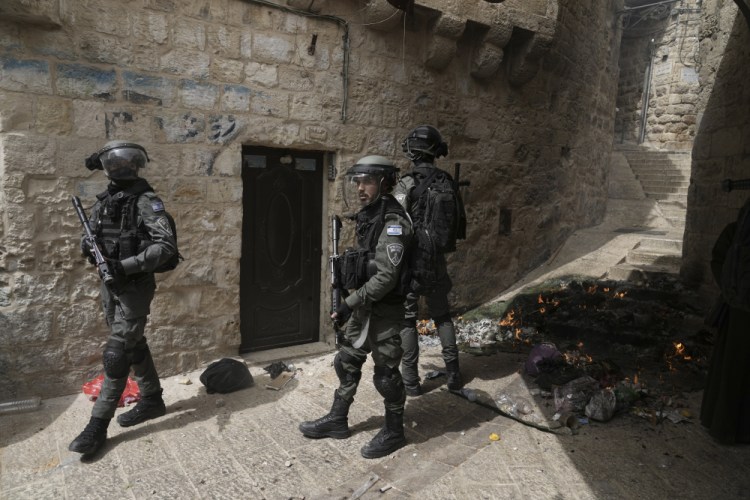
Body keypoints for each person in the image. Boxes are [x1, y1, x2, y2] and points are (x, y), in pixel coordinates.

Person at [298, 155, 413, 459]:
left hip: (386, 309)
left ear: (385, 184)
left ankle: (394, 431)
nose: (361, 188)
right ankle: (338, 420)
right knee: (346, 361)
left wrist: (349, 302)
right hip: (364, 304)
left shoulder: (394, 223)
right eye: (358, 182)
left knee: (386, 374)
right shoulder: (370, 215)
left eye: (368, 182)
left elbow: (387, 277)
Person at [69, 140, 177, 456]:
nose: (119, 168)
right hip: (109, 283)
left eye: (125, 162)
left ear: (136, 165)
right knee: (133, 343)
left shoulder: (146, 201)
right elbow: (92, 235)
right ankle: (152, 399)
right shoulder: (106, 201)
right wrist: (89, 248)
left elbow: (165, 247)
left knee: (117, 353)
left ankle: (97, 426)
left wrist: (124, 265)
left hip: (134, 286)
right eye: (113, 163)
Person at [393, 125, 463, 396]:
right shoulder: (447, 181)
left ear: (414, 151)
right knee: (442, 316)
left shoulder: (407, 183)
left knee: (407, 321)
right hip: (437, 262)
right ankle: (454, 374)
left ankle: (410, 382)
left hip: (411, 264)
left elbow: (395, 223)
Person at [700, 200, 750, 445]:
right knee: (733, 370)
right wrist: (732, 293)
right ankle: (727, 427)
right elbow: (719, 261)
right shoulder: (737, 234)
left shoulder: (735, 232)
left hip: (738, 310)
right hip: (739, 315)